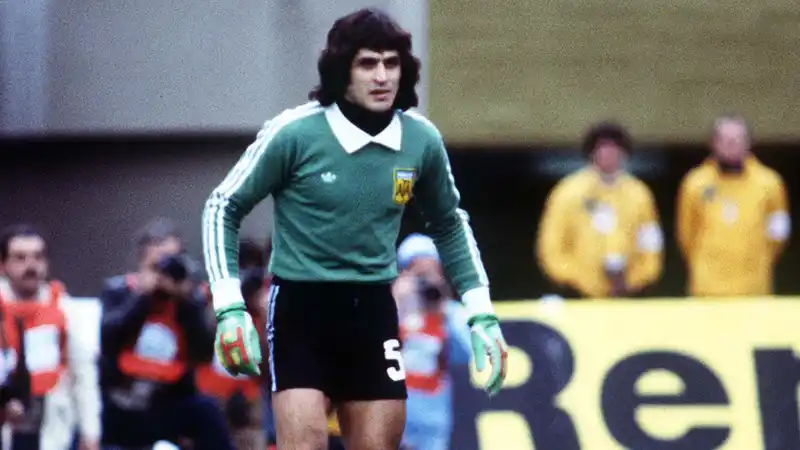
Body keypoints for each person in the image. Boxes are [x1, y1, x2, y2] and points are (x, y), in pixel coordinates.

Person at [201, 8, 508, 450]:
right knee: (305, 444)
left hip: (373, 312)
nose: (382, 76)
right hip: (301, 310)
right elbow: (222, 206)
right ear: (341, 70)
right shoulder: (294, 133)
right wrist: (230, 307)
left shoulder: (420, 140)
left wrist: (481, 313)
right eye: (367, 63)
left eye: (391, 63)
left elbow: (449, 223)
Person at [99, 218, 234, 450]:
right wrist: (141, 298)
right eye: (156, 266)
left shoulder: (189, 300)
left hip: (170, 401)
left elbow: (204, 355)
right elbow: (108, 343)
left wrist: (185, 302)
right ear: (141, 263)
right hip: (125, 404)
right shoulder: (119, 290)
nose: (164, 274)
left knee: (207, 410)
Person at [0, 224, 101, 450]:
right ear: (3, 264)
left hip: (51, 426)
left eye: (38, 257)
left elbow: (83, 373)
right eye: (20, 258)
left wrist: (90, 432)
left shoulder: (64, 308)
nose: (31, 265)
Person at [536, 121, 663, 298]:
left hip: (628, 294)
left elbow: (650, 244)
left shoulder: (639, 194)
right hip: (579, 294)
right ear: (591, 152)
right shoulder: (568, 192)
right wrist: (577, 281)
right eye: (602, 148)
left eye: (614, 148)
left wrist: (636, 280)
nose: (608, 154)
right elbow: (551, 245)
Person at [676, 115, 790, 296]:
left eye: (737, 139)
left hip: (754, 287)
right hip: (707, 288)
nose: (731, 145)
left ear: (749, 143)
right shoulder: (695, 183)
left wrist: (757, 258)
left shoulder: (770, 183)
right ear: (713, 143)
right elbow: (686, 233)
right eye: (725, 140)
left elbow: (778, 235)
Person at [393, 233, 471, 450]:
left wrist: (445, 312)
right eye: (418, 273)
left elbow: (467, 355)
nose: (426, 281)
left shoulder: (450, 313)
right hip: (393, 411)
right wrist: (398, 305)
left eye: (431, 272)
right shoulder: (389, 308)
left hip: (433, 415)